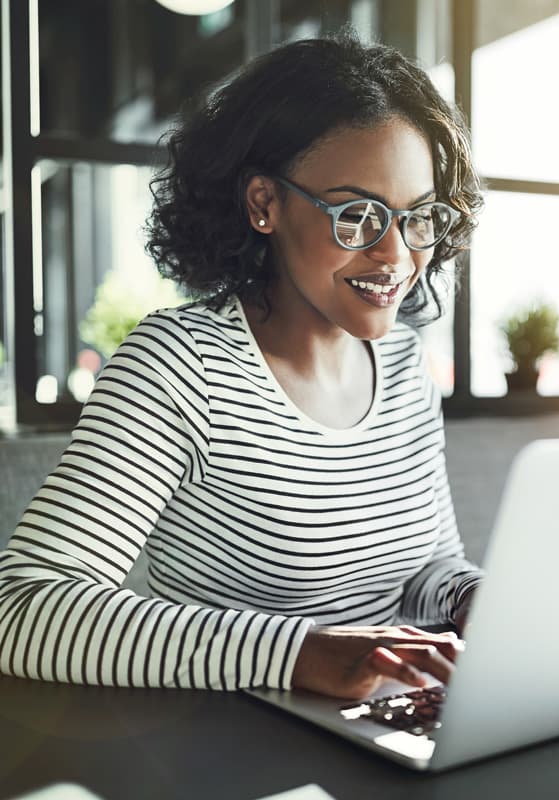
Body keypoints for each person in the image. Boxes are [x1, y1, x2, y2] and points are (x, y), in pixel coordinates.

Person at [0, 31, 484, 700]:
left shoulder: (402, 364)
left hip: (385, 728)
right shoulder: (178, 366)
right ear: (264, 204)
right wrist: (298, 655)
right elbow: (25, 608)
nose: (395, 256)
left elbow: (424, 567)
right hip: (225, 747)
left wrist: (474, 599)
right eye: (357, 216)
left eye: (416, 218)